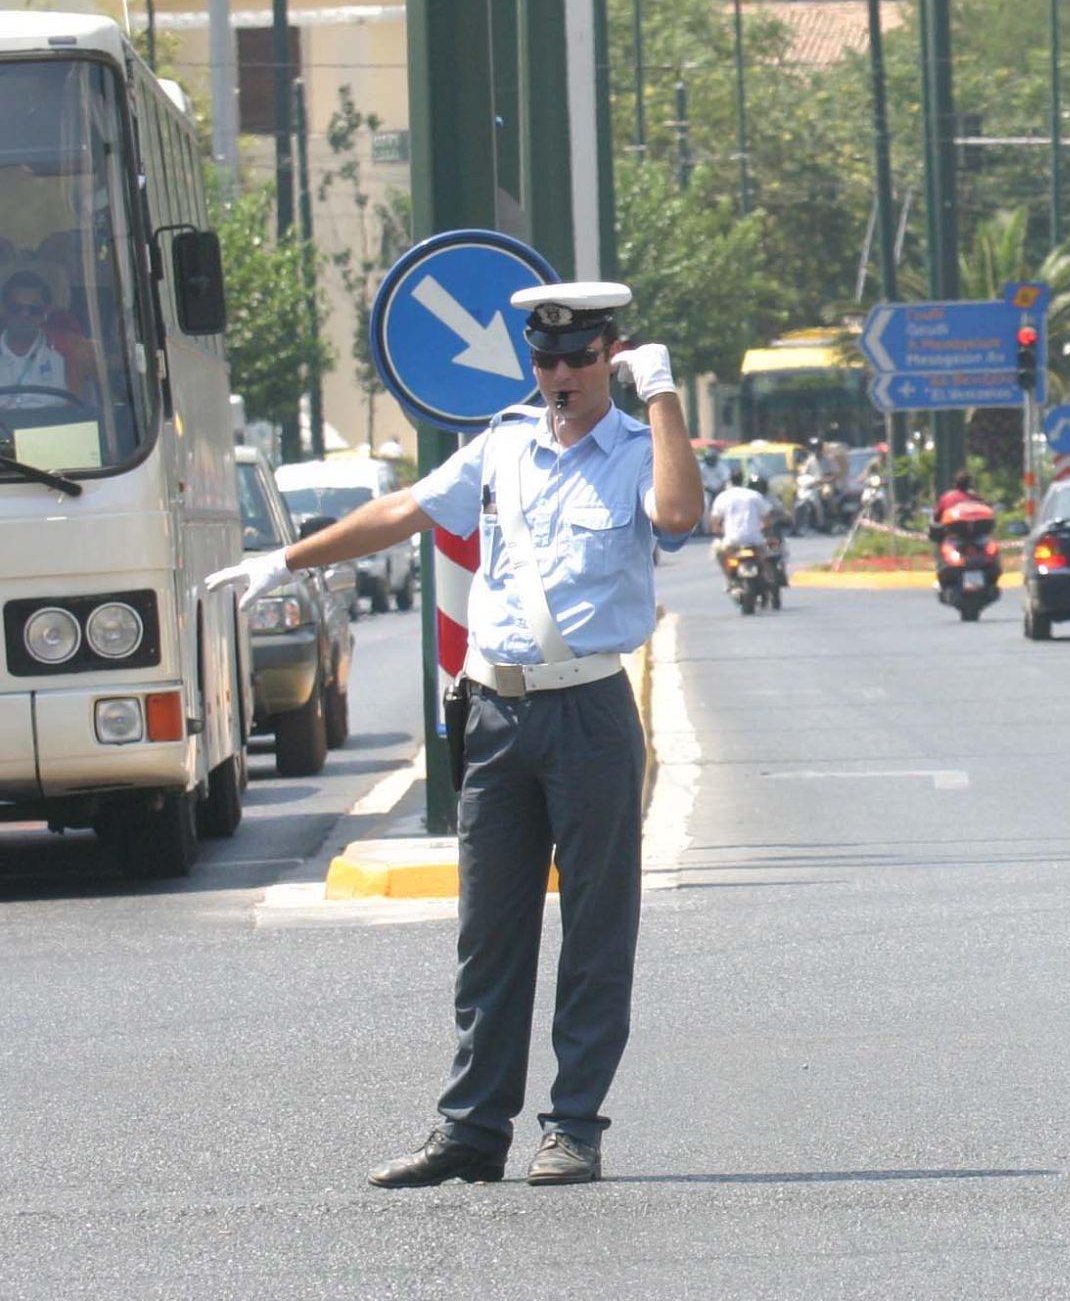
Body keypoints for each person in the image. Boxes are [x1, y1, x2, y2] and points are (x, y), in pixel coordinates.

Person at [207, 283, 702, 1188]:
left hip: (589, 711)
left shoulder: (639, 450)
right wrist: (284, 559)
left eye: (578, 357)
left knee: (595, 932)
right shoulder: (503, 446)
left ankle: (574, 1126)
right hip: (496, 713)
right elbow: (404, 511)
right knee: (489, 933)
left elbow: (676, 514)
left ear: (612, 356)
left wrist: (663, 396)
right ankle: (472, 1129)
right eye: (544, 358)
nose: (559, 374)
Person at [0, 268, 87, 408]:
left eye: (34, 310)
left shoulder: (70, 351)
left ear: (45, 312)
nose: (24, 315)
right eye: (15, 308)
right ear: (3, 310)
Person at [710, 473, 789, 584]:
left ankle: (730, 579)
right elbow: (767, 519)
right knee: (768, 556)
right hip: (755, 540)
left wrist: (719, 531)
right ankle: (770, 577)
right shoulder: (755, 496)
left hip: (732, 541)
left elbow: (714, 522)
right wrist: (763, 528)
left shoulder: (723, 497)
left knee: (718, 552)